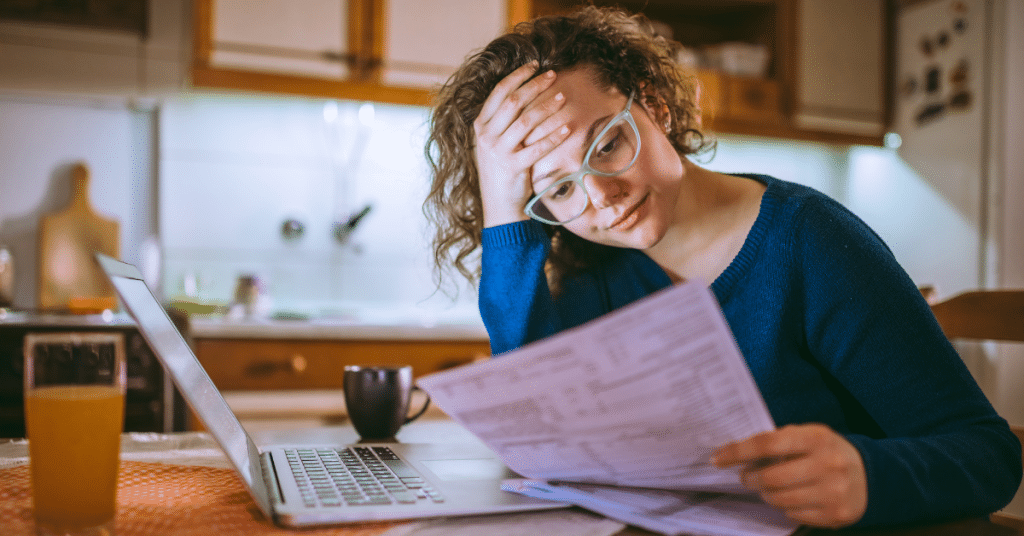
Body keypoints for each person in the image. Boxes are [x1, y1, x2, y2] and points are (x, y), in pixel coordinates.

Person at [422, 5, 1022, 530]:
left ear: (653, 105)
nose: (601, 197)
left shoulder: (810, 241)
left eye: (607, 144)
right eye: (558, 189)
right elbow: (539, 442)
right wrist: (502, 207)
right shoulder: (593, 269)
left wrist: (867, 475)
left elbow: (989, 456)